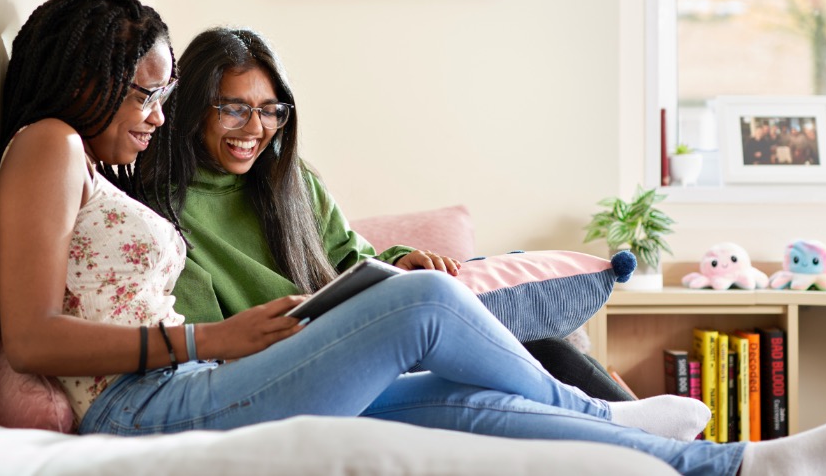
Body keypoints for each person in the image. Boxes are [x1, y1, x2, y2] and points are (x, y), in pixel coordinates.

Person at [0, 0, 826, 474]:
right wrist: (211, 335)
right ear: (88, 75)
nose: (154, 112)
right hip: (154, 405)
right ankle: (626, 416)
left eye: (160, 95)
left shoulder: (92, 160)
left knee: (473, 404)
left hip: (198, 377)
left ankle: (734, 467)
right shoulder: (51, 143)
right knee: (425, 300)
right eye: (148, 92)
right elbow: (31, 334)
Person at [135, 26, 633, 402]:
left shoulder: (292, 180)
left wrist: (402, 262)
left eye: (271, 110)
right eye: (234, 108)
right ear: (193, 106)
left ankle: (645, 432)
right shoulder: (160, 212)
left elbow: (352, 260)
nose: (256, 128)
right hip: (295, 371)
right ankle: (633, 428)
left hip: (365, 338)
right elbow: (207, 344)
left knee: (548, 346)